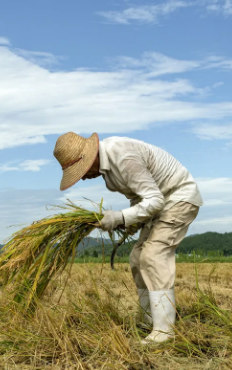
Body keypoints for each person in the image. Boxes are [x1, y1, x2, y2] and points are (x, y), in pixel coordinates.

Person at [53, 132, 202, 344]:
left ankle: (164, 331)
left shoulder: (123, 158)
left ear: (89, 158)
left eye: (82, 172)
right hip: (160, 203)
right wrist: (129, 221)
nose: (83, 177)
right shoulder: (108, 172)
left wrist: (121, 217)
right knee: (136, 258)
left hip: (178, 198)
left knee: (153, 256)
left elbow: (155, 200)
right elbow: (138, 197)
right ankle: (148, 319)